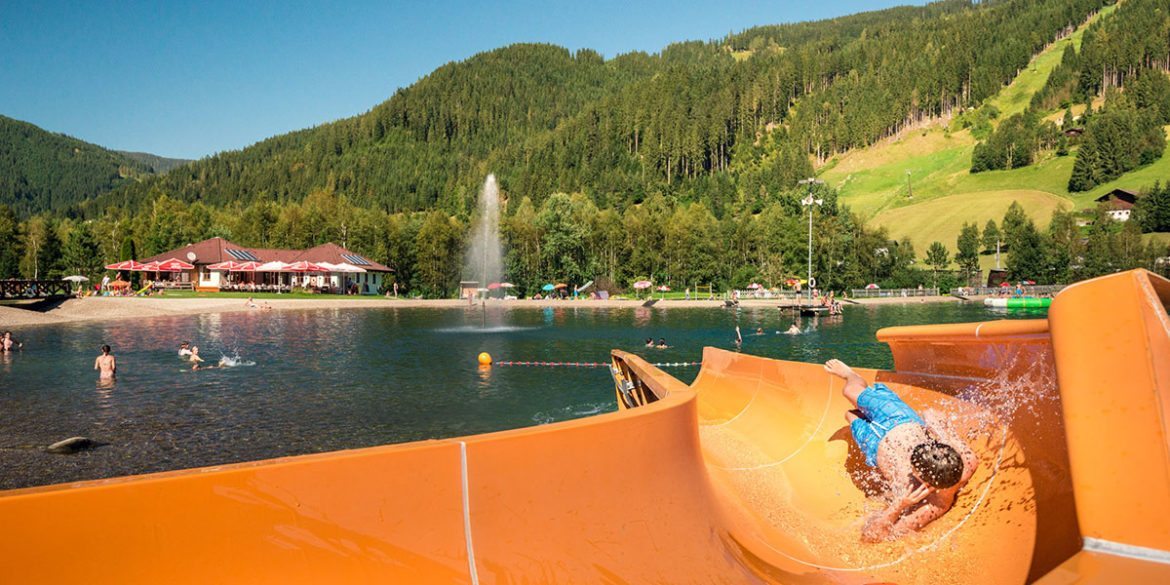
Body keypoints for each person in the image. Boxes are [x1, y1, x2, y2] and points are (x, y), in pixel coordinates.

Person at [823, 359, 977, 542]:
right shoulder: (966, 461)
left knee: (850, 415)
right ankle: (851, 375)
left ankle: (859, 411)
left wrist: (899, 505)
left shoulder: (930, 505)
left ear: (924, 480)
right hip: (900, 418)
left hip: (873, 442)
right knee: (850, 391)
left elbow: (870, 537)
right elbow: (932, 415)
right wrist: (940, 429)